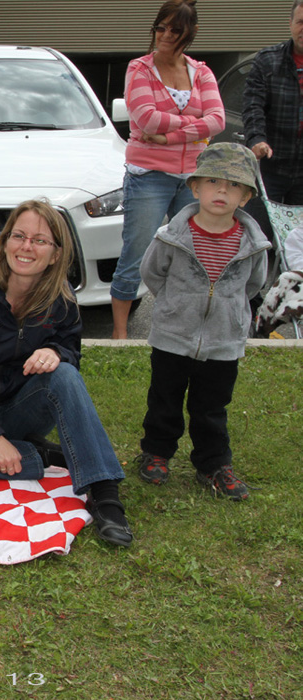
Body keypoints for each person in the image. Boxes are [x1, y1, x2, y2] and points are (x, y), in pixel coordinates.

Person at [0, 200, 133, 548]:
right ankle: (42, 456)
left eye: (39, 240)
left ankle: (105, 494)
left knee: (63, 375)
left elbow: (70, 352)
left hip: (22, 407)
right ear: (4, 243)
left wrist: (57, 352)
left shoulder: (61, 298)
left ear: (55, 253)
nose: (26, 247)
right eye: (19, 236)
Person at [134, 143, 269, 500]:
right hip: (173, 337)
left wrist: (229, 312)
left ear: (246, 196)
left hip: (223, 342)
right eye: (213, 181)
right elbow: (152, 275)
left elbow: (254, 284)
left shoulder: (253, 244)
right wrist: (177, 305)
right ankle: (157, 452)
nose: (222, 190)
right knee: (164, 398)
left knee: (211, 408)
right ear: (195, 188)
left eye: (234, 185)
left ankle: (213, 464)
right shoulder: (172, 237)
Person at [110, 0, 224, 339]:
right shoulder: (139, 69)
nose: (165, 35)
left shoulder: (201, 71)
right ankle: (119, 334)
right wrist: (195, 124)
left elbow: (217, 121)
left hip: (191, 179)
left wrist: (168, 136)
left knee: (189, 254)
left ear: (191, 33)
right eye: (161, 28)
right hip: (148, 177)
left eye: (175, 30)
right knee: (135, 253)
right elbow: (145, 118)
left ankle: (180, 327)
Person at [241, 0, 303, 237]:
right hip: (270, 168)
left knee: (298, 245)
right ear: (290, 24)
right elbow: (253, 105)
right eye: (300, 22)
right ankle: (261, 274)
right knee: (259, 237)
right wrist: (256, 139)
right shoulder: (267, 60)